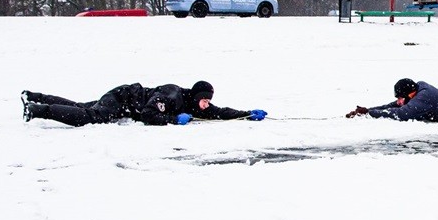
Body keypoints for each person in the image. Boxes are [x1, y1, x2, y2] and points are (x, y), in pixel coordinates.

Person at [22, 80, 267, 127]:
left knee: (80, 106)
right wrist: (173, 119)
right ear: (196, 97)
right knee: (91, 116)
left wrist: (247, 113)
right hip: (123, 99)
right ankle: (36, 110)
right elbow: (149, 115)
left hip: (125, 98)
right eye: (204, 100)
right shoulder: (172, 96)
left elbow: (220, 112)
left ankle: (35, 96)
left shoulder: (194, 103)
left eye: (207, 102)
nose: (206, 105)